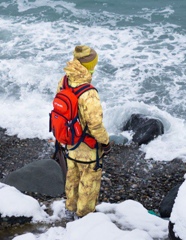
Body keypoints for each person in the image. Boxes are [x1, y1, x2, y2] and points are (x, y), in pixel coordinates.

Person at [56, 45, 111, 218]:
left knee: (72, 177)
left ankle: (69, 210)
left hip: (69, 139)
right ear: (90, 66)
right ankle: (84, 218)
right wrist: (106, 142)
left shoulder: (64, 80)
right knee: (88, 182)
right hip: (87, 145)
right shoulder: (89, 92)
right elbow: (95, 125)